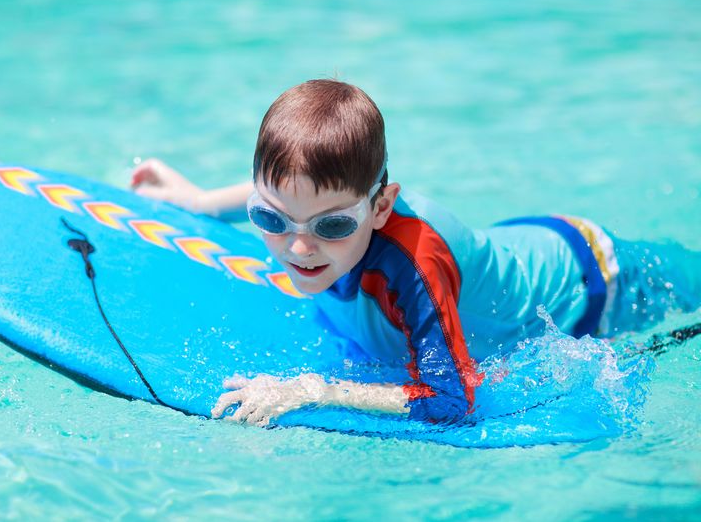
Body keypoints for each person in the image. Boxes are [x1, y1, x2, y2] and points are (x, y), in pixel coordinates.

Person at [131, 79, 701, 427]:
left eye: (331, 226)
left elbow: (452, 399)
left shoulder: (412, 268)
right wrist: (201, 201)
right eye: (269, 218)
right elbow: (288, 187)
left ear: (381, 207)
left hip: (597, 276)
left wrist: (314, 390)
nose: (298, 246)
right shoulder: (313, 207)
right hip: (511, 245)